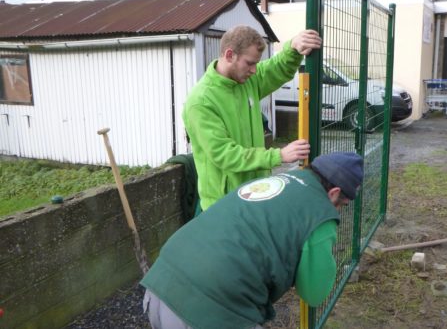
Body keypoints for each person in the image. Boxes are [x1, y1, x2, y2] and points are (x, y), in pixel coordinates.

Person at [141, 152, 364, 329]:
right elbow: (314, 293)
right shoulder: (320, 213)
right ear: (334, 193)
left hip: (160, 286)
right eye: (342, 205)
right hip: (212, 312)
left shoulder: (279, 179)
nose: (338, 211)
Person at [182, 25, 322, 211]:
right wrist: (278, 155)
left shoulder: (246, 81)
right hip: (225, 205)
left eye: (256, 63)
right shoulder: (200, 102)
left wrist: (294, 48)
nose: (255, 70)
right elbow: (225, 154)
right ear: (230, 55)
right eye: (250, 63)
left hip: (257, 192)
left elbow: (275, 68)